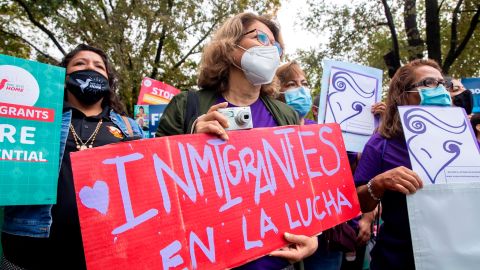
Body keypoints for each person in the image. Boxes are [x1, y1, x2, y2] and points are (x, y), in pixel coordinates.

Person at [156, 12, 317, 269]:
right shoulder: (187, 105)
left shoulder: (286, 115)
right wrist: (190, 142)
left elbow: (303, 188)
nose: (270, 49)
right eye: (260, 37)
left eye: (276, 46)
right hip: (208, 257)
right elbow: (154, 186)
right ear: (230, 48)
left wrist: (312, 236)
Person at [1, 44, 144, 269]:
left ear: (108, 79)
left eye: (99, 66)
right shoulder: (34, 118)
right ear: (64, 75)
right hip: (33, 250)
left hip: (107, 250)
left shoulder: (130, 128)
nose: (90, 68)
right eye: (80, 63)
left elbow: (148, 182)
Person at [354, 59, 453, 270]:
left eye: (443, 83)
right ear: (403, 95)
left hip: (457, 255)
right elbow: (358, 202)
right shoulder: (381, 142)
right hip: (397, 259)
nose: (441, 89)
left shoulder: (464, 138)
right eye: (429, 83)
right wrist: (379, 183)